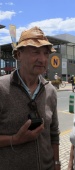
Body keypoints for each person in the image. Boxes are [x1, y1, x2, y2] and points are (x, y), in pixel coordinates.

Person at [0, 27, 60, 170]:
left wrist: (57, 163)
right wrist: (15, 139)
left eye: (46, 53)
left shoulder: (50, 91)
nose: (43, 59)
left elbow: (54, 133)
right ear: (19, 54)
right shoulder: (2, 88)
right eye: (35, 52)